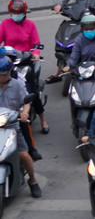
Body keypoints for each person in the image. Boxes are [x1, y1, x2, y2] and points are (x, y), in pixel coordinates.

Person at [0, 0, 46, 133]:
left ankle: (43, 118)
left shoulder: (30, 25)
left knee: (31, 90)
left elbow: (36, 43)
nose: (16, 15)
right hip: (8, 60)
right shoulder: (4, 24)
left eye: (19, 13)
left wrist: (35, 53)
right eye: (13, 13)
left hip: (26, 60)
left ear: (24, 13)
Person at [0, 56, 41, 198]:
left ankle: (33, 180)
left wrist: (24, 112)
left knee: (23, 154)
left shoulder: (17, 85)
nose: (1, 77)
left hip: (12, 125)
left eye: (4, 74)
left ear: (10, 72)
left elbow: (26, 102)